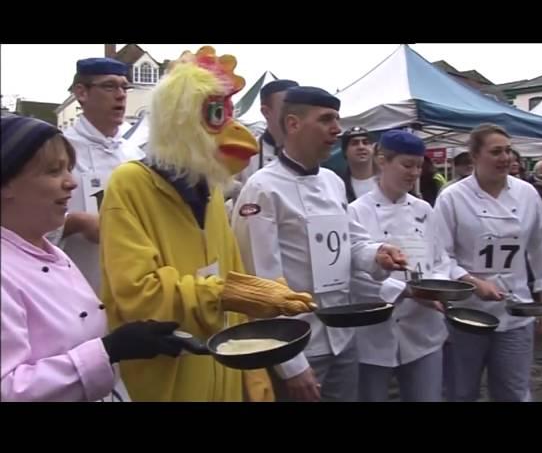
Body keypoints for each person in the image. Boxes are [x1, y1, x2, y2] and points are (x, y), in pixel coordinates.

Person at [99, 47, 315, 402]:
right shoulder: (129, 184)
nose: (235, 128)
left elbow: (233, 272)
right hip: (165, 378)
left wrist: (255, 377)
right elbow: (139, 295)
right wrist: (228, 294)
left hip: (222, 374)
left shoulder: (211, 189)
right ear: (180, 119)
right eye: (216, 113)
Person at [231, 86, 407, 402]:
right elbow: (262, 285)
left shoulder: (332, 181)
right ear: (294, 124)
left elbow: (353, 242)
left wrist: (378, 255)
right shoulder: (262, 189)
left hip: (342, 337)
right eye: (326, 120)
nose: (336, 129)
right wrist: (290, 363)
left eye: (336, 119)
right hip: (299, 344)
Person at [1, 115, 182, 402]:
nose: (71, 183)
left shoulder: (50, 250)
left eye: (69, 169)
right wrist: (109, 350)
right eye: (53, 171)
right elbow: (9, 391)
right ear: (6, 183)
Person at [434, 123, 542, 402]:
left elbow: (541, 247)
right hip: (466, 315)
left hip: (515, 312)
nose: (505, 158)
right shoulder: (452, 197)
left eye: (508, 151)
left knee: (514, 392)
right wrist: (472, 282)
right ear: (475, 156)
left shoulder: (527, 194)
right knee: (460, 392)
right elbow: (440, 256)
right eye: (496, 151)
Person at [349, 130, 452, 402]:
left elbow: (441, 259)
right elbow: (354, 272)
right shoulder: (356, 211)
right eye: (407, 165)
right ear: (382, 160)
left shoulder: (424, 210)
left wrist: (436, 287)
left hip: (424, 330)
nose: (414, 173)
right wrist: (404, 291)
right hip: (374, 333)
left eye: (419, 166)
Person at [57, 57, 145, 294]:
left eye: (124, 87)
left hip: (134, 285)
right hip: (77, 280)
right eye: (109, 86)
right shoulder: (57, 151)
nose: (120, 95)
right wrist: (76, 222)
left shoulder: (135, 154)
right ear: (81, 93)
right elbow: (24, 222)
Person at [238, 79, 299, 184]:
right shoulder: (244, 154)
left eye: (299, 108)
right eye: (287, 109)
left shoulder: (312, 151)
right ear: (266, 112)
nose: (295, 116)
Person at [340, 126, 377, 202]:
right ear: (345, 151)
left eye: (365, 143)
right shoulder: (338, 185)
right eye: (354, 143)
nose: (361, 147)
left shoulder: (389, 179)